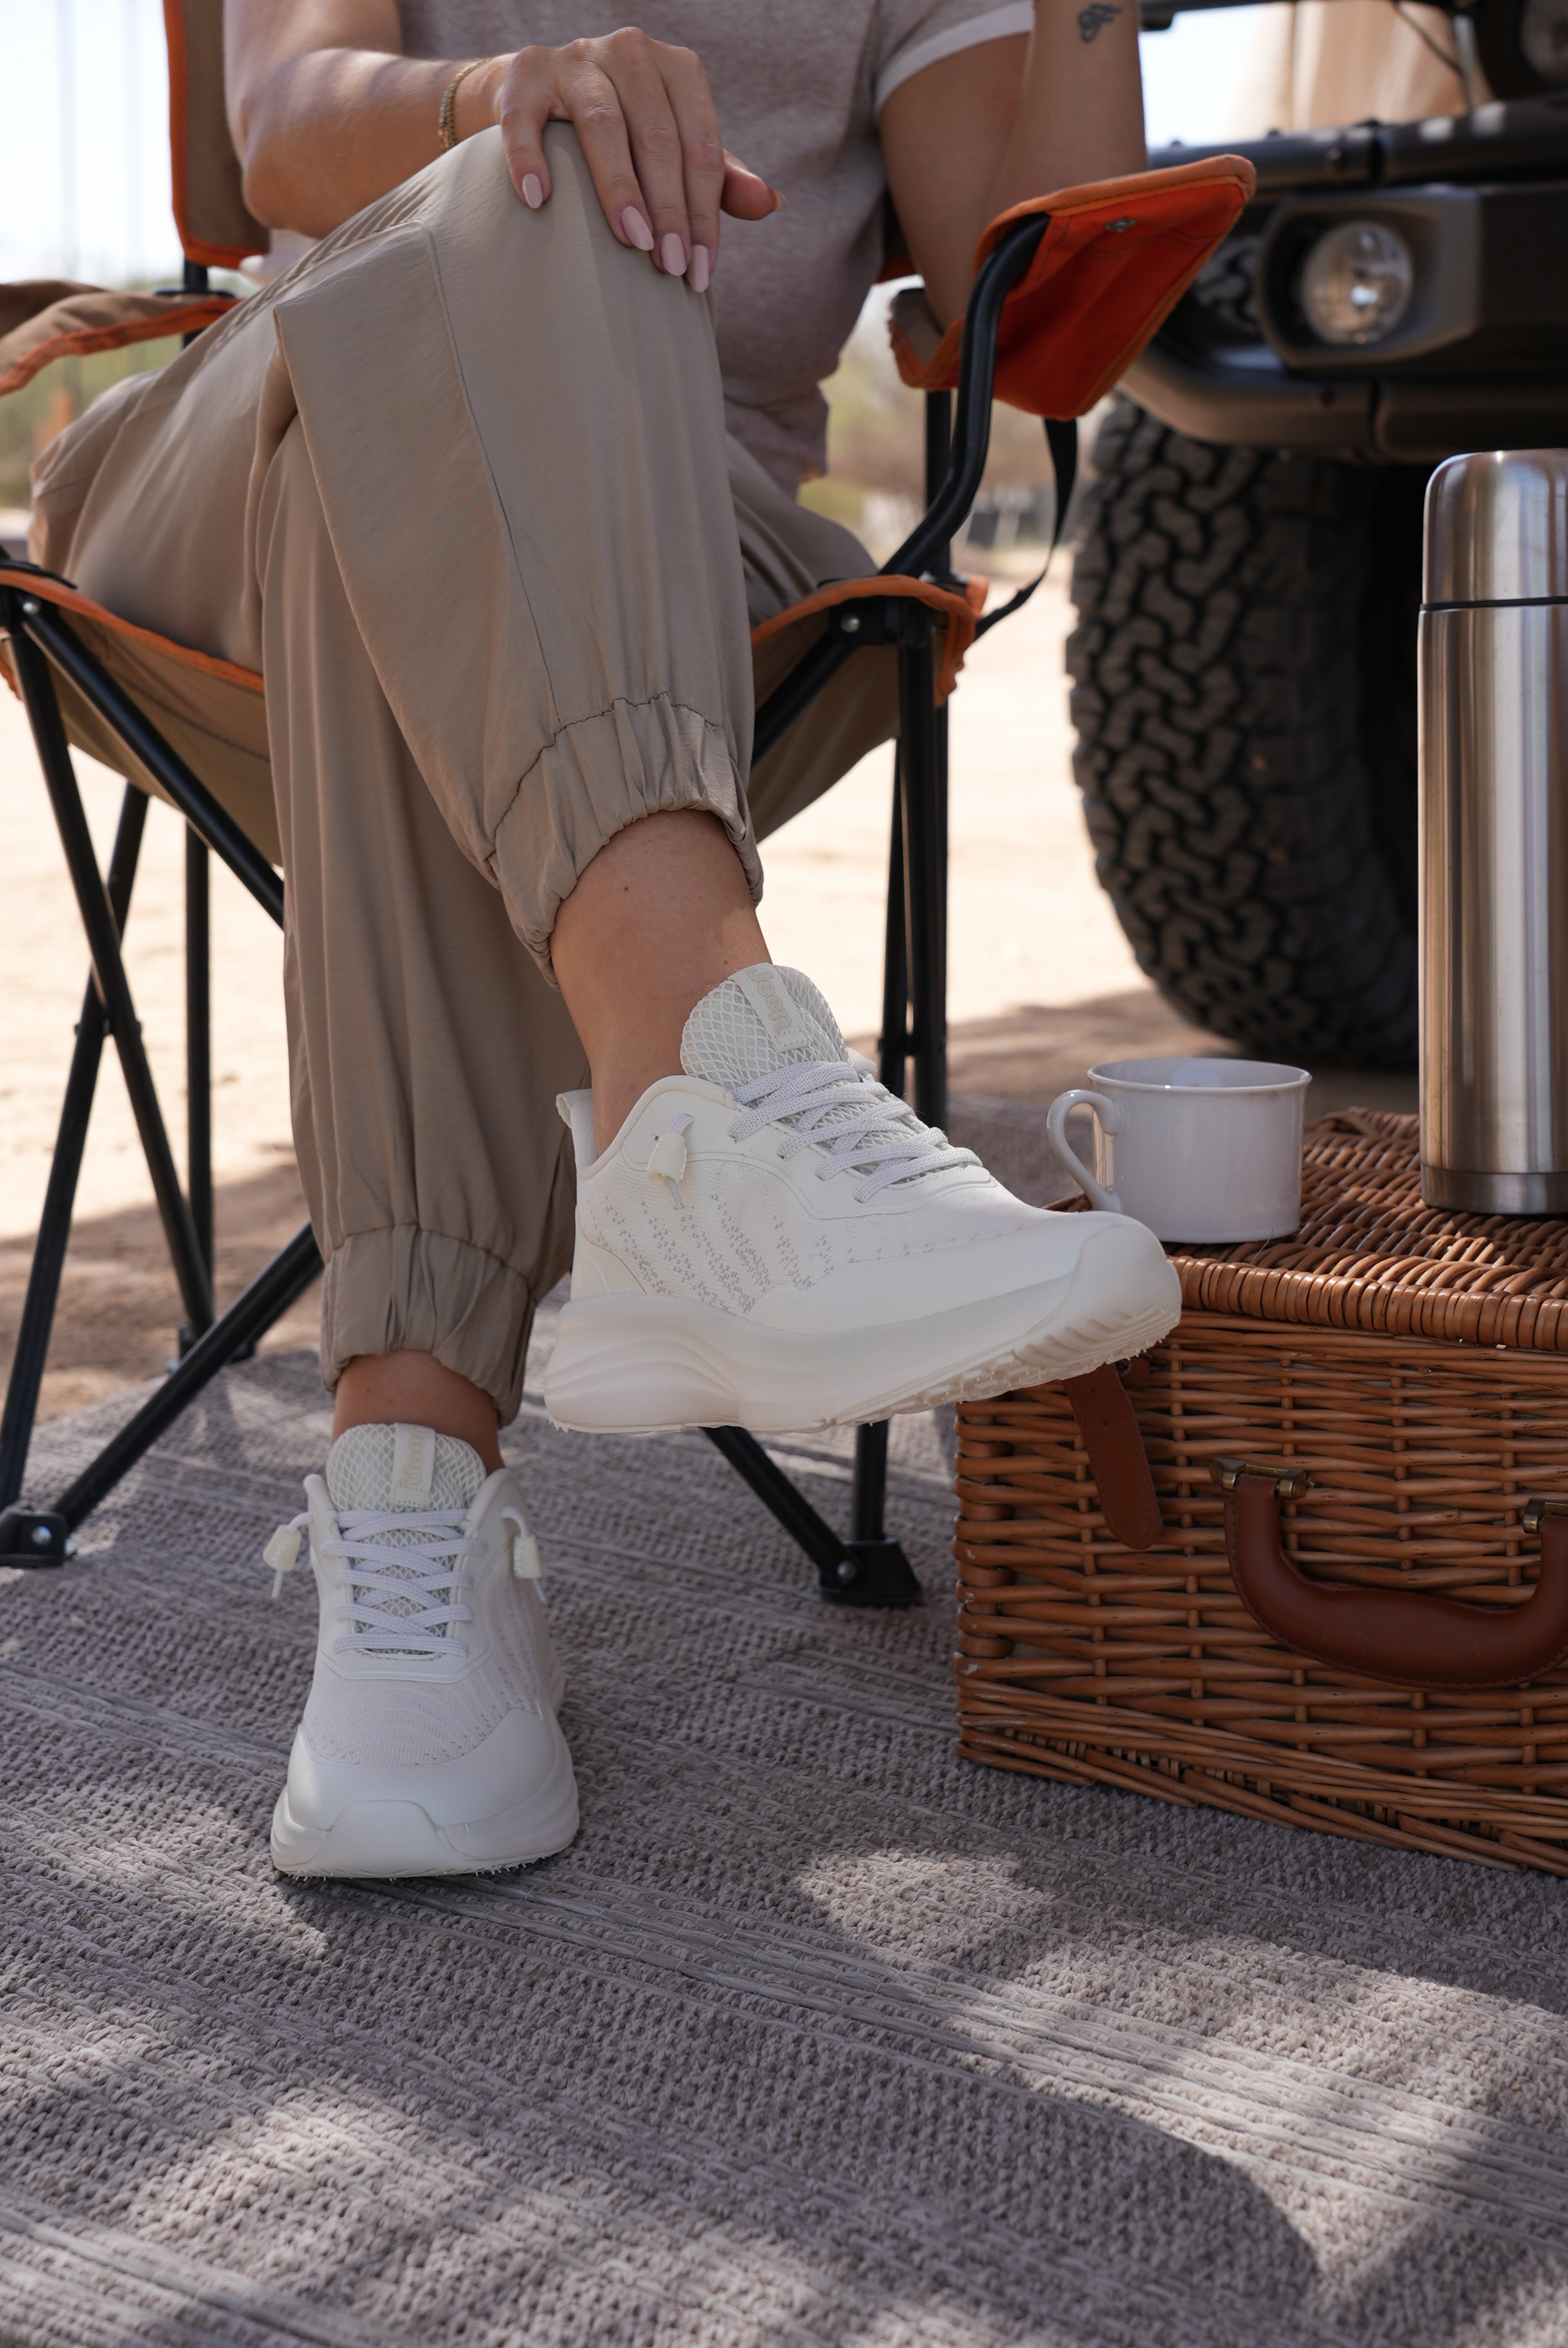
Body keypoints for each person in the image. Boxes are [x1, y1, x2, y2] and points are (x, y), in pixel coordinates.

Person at [30, 0, 1179, 1880]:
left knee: (405, 510)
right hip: (235, 450)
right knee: (527, 194)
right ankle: (716, 1087)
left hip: (688, 547)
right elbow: (290, 136)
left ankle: (415, 1509)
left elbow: (1033, 310)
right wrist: (504, 104)